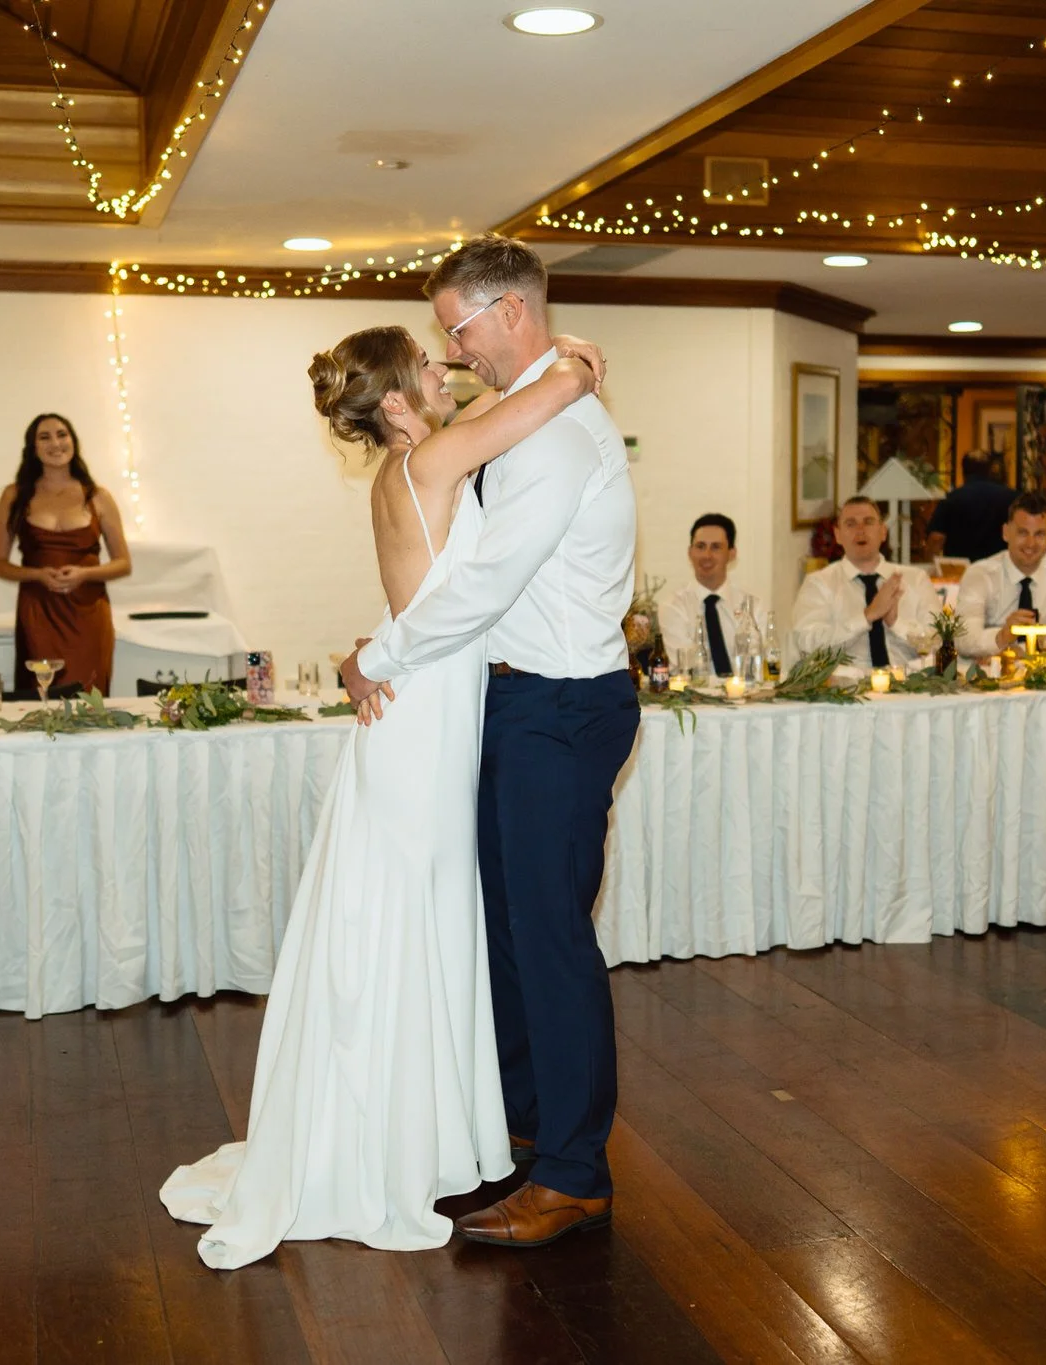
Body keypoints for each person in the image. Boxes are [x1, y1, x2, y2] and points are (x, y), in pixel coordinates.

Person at [160, 313, 615, 1265]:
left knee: (417, 918)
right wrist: (571, 362)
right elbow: (556, 394)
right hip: (427, 717)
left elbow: (420, 587)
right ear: (401, 402)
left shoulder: (405, 469)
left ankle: (426, 1126)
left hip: (432, 707)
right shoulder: (438, 455)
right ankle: (397, 1135)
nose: (451, 368)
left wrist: (371, 651)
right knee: (413, 918)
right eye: (431, 362)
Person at [327, 235, 635, 1253]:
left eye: (456, 331)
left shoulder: (550, 434)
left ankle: (573, 1173)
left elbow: (484, 584)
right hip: (511, 702)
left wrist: (378, 652)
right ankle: (522, 1134)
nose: (450, 356)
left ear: (508, 314)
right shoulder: (525, 410)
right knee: (506, 932)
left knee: (547, 939)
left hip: (560, 703)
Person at [0, 413, 131, 696]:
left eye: (62, 434)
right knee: (43, 697)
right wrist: (37, 575)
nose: (56, 443)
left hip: (88, 612)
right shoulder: (14, 495)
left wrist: (85, 574)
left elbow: (123, 563)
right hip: (39, 610)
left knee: (89, 698)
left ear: (73, 441)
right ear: (33, 448)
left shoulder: (98, 496)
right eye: (45, 437)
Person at [789, 496, 944, 670]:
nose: (860, 530)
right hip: (847, 690)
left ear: (883, 532)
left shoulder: (916, 579)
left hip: (910, 685)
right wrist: (866, 616)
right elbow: (807, 644)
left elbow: (938, 643)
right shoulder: (819, 584)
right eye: (850, 524)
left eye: (868, 522)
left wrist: (895, 623)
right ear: (838, 535)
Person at [953, 492, 1046, 659]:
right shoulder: (979, 574)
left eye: (1039, 534)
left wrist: (1021, 653)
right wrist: (1002, 637)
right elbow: (963, 639)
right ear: (1006, 532)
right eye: (1022, 533)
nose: (1030, 543)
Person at [658, 513, 741, 675]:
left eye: (716, 547)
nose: (707, 556)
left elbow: (758, 662)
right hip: (693, 698)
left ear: (732, 553)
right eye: (700, 546)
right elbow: (684, 666)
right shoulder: (673, 606)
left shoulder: (753, 606)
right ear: (690, 552)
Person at [923, 452, 1013, 562]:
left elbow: (936, 539)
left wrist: (930, 569)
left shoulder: (952, 499)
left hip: (961, 570)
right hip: (999, 567)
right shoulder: (1011, 498)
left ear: (963, 471)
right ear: (991, 470)